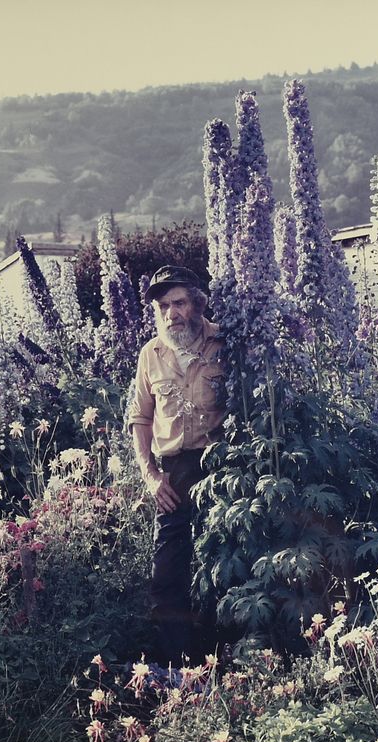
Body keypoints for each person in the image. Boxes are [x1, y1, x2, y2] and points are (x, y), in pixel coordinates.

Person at [126, 265, 226, 666]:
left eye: (179, 302)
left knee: (223, 565)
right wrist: (151, 477)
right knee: (168, 573)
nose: (171, 314)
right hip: (174, 472)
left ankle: (229, 659)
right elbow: (140, 419)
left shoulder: (225, 342)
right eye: (164, 306)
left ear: (197, 303)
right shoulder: (151, 354)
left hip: (222, 466)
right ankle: (180, 667)